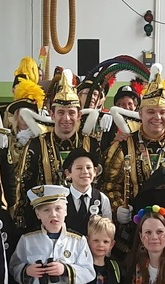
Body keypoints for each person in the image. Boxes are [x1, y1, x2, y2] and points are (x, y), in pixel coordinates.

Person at [103, 71, 165, 222]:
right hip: (135, 227)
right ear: (140, 114)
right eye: (151, 112)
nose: (157, 117)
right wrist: (118, 208)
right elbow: (110, 185)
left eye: (163, 112)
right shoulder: (124, 146)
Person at [12, 72, 102, 230]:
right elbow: (24, 188)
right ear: (52, 114)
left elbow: (101, 184)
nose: (66, 118)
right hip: (45, 225)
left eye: (72, 113)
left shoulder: (92, 144)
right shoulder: (36, 145)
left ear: (79, 115)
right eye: (61, 112)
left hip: (87, 223)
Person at [63, 148, 111, 236]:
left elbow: (107, 234)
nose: (85, 172)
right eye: (79, 168)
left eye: (88, 167)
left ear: (95, 171)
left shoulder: (102, 199)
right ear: (68, 173)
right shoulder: (61, 199)